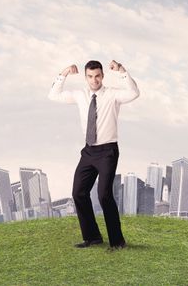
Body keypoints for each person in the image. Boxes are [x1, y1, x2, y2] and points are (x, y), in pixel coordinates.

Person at [48, 60, 140, 251]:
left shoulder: (113, 94)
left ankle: (118, 242)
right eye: (90, 76)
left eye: (97, 76)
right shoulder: (80, 95)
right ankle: (93, 237)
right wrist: (64, 72)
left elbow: (134, 92)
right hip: (89, 151)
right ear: (86, 77)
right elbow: (53, 94)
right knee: (78, 193)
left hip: (107, 151)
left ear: (102, 76)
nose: (94, 80)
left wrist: (122, 71)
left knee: (104, 195)